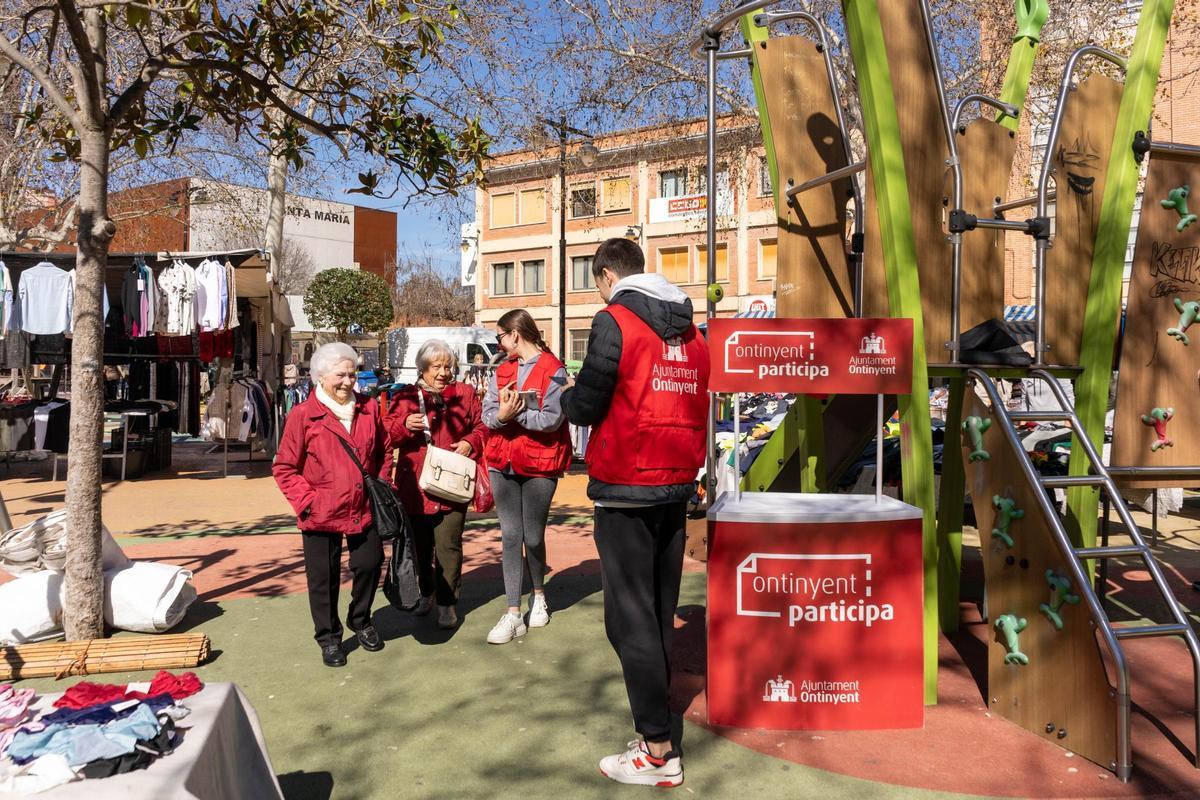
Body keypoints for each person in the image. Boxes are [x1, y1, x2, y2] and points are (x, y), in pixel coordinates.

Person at [561, 238, 710, 787]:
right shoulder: (692, 331)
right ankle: (657, 729)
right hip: (674, 484)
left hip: (626, 483)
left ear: (605, 276)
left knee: (630, 620)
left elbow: (588, 403)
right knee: (657, 612)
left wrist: (566, 398)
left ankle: (657, 749)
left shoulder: (614, 320)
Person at [272, 342, 393, 668]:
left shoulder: (369, 408)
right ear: (320, 376)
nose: (348, 381)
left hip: (362, 505)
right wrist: (306, 501)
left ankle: (361, 618)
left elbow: (384, 450)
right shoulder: (303, 415)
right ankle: (329, 638)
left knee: (369, 563)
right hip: (320, 511)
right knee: (322, 579)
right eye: (340, 375)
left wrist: (380, 483)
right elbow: (284, 467)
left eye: (352, 374)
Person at [481, 309, 571, 645]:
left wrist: (514, 415)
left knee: (532, 536)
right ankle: (513, 611)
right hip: (501, 462)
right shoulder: (501, 370)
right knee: (509, 535)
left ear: (515, 334)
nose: (499, 344)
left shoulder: (556, 369)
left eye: (500, 337)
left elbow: (553, 418)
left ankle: (539, 595)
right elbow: (488, 413)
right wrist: (502, 416)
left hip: (540, 465)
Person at [385, 339, 487, 630]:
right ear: (423, 368)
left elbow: (482, 427)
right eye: (436, 366)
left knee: (449, 546)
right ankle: (426, 592)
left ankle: (447, 603)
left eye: (447, 366)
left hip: (453, 485)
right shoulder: (405, 395)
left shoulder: (465, 394)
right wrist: (404, 426)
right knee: (419, 548)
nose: (443, 372)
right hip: (415, 486)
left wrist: (470, 443)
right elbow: (387, 437)